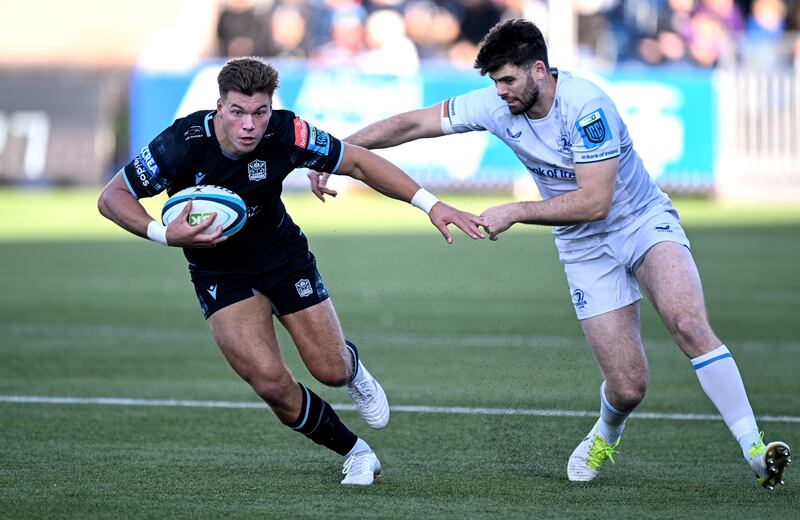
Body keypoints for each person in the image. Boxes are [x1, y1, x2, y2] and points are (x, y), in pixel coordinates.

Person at [308, 19, 793, 489]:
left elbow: (596, 202)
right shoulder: (496, 103)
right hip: (582, 248)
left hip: (640, 222)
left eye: (507, 80)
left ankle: (754, 450)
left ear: (539, 70)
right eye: (495, 82)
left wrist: (516, 210)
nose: (500, 91)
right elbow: (412, 123)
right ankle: (606, 432)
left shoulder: (587, 107)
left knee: (687, 323)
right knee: (628, 387)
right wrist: (335, 153)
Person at [98, 57, 485, 486]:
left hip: (281, 257)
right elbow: (112, 197)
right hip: (218, 272)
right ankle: (356, 452)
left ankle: (351, 366)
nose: (249, 125)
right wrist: (163, 234)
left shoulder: (288, 132)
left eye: (259, 112)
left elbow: (357, 162)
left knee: (330, 371)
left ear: (271, 109)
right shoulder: (181, 143)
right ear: (219, 107)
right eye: (237, 112)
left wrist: (431, 205)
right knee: (269, 383)